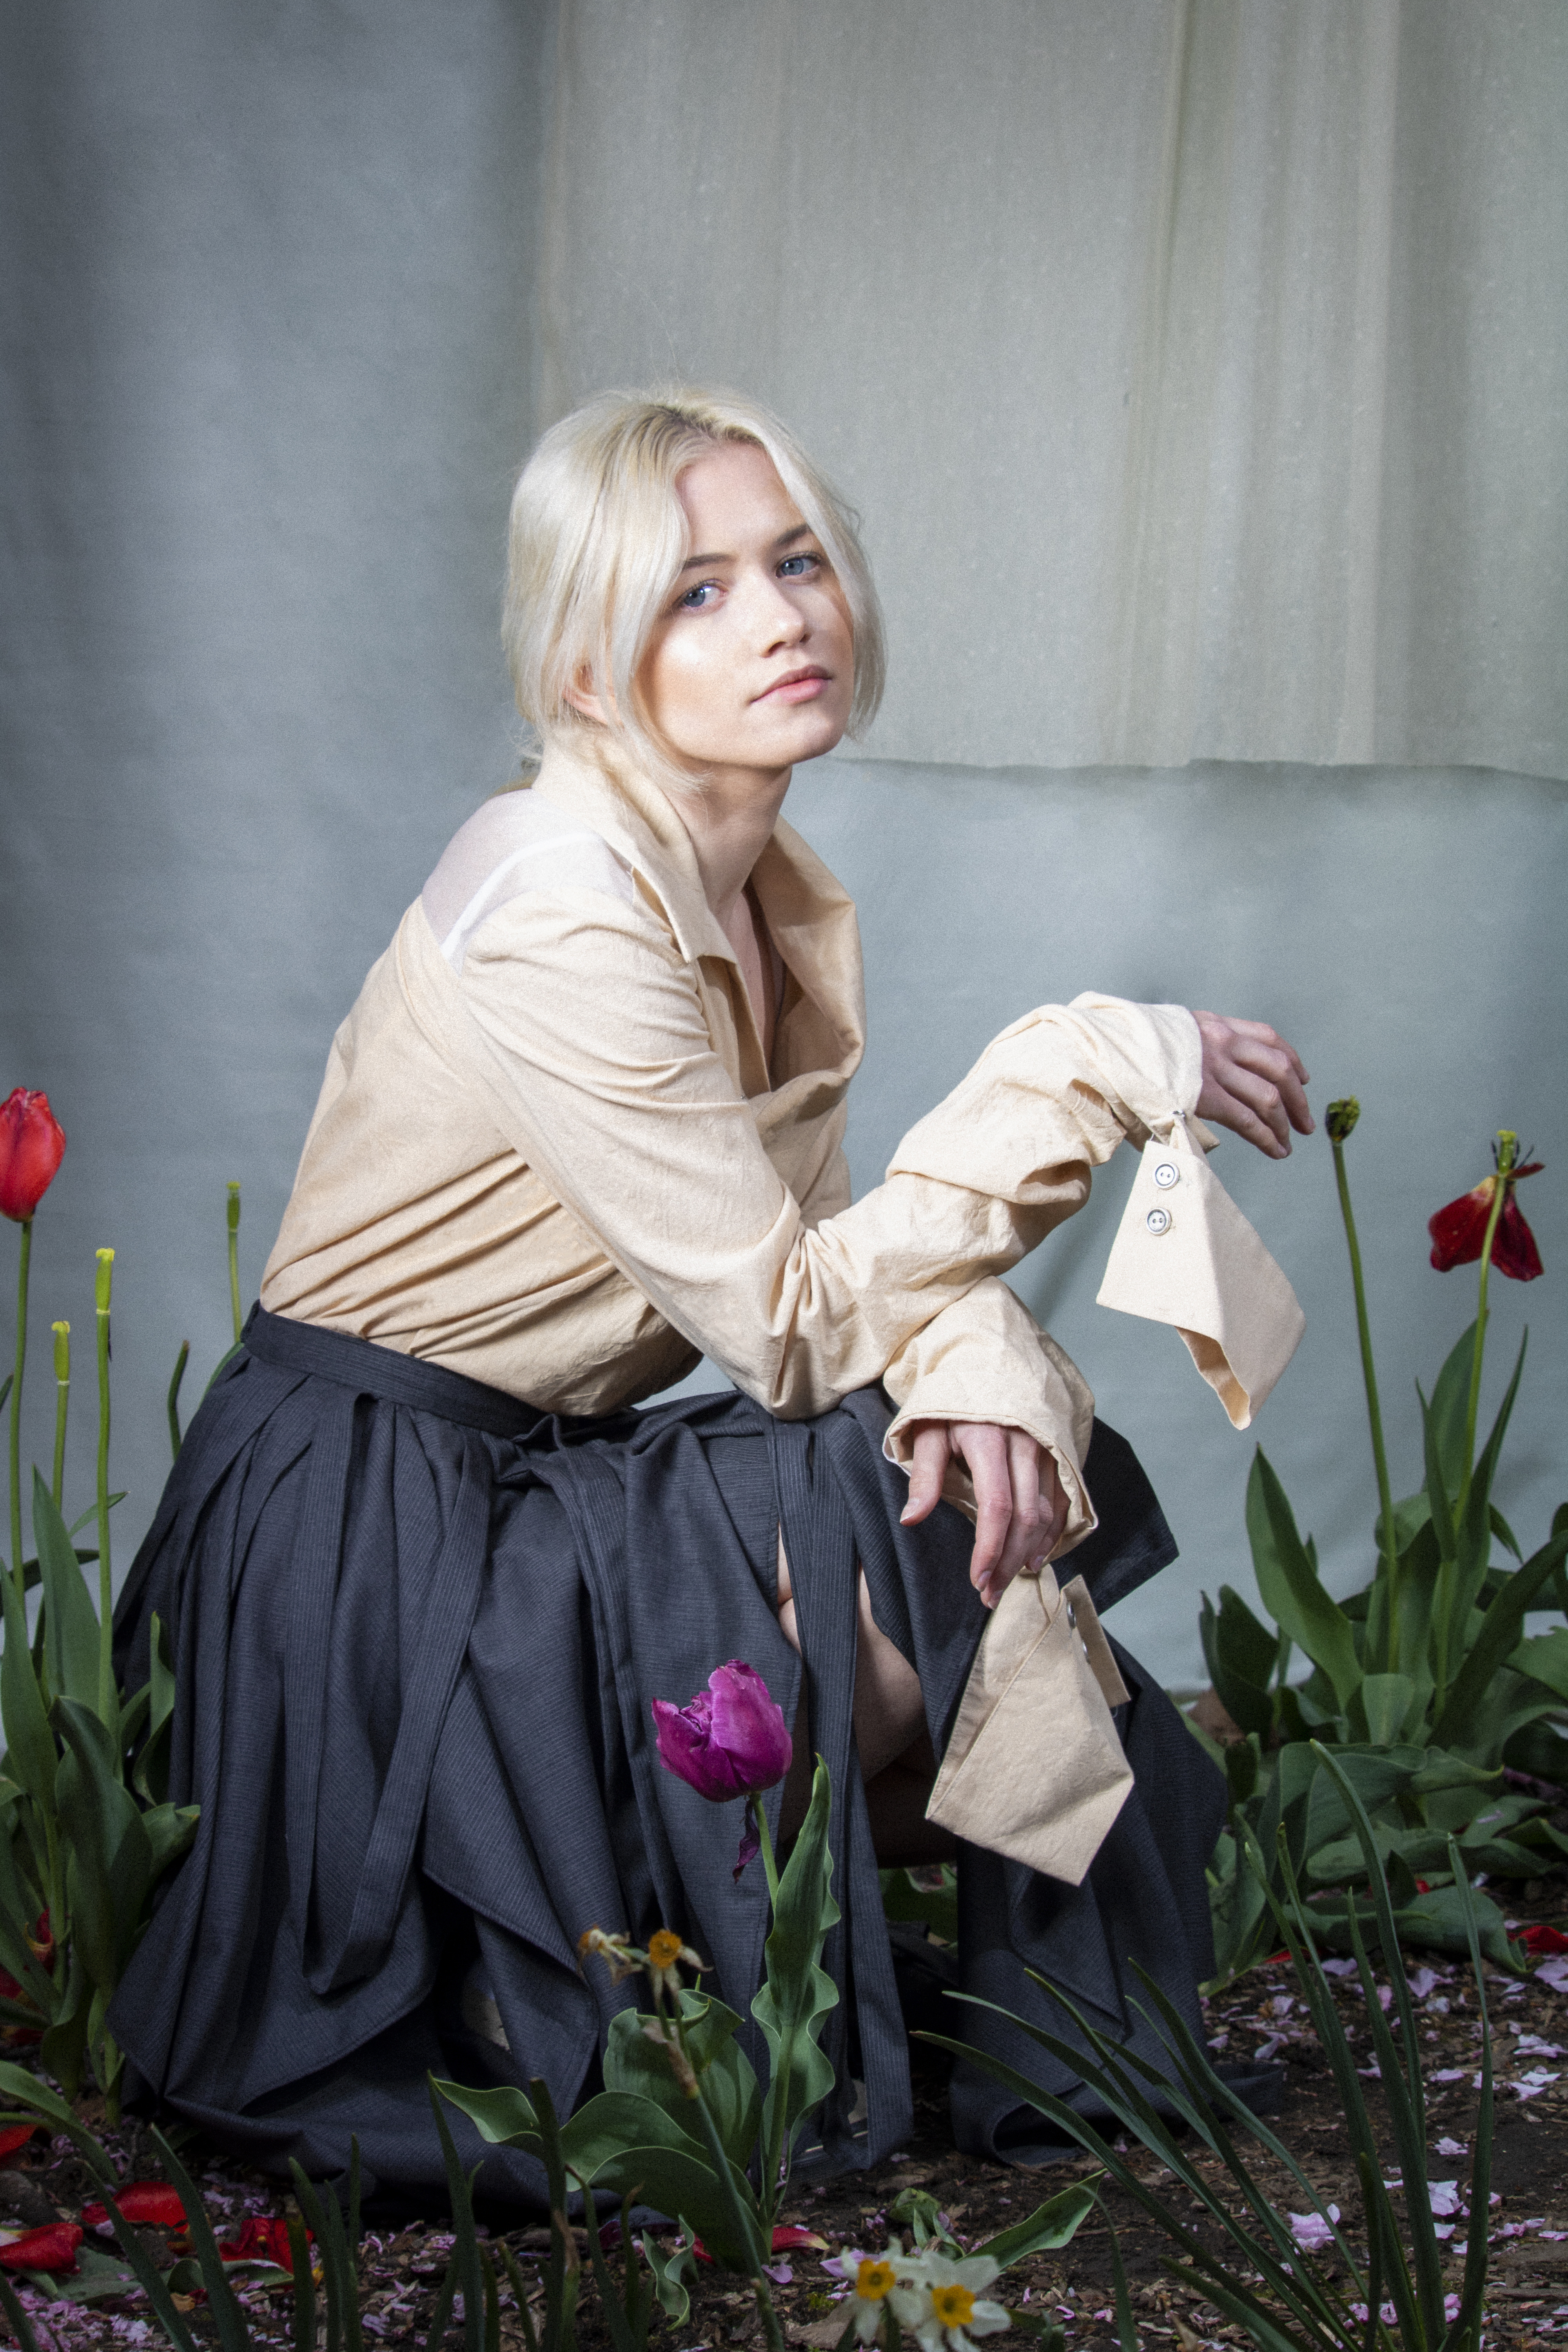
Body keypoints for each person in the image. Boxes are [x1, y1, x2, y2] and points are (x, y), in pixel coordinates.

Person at [111, 388, 1312, 2205]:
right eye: (695, 590)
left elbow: (850, 1245)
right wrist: (1081, 1062)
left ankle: (631, 1925)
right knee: (863, 1474)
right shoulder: (563, 902)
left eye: (797, 560)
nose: (781, 616)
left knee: (928, 1465)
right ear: (588, 663)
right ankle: (524, 1946)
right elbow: (797, 1320)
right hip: (361, 1552)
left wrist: (980, 1361)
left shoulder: (751, 887)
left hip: (508, 1491)